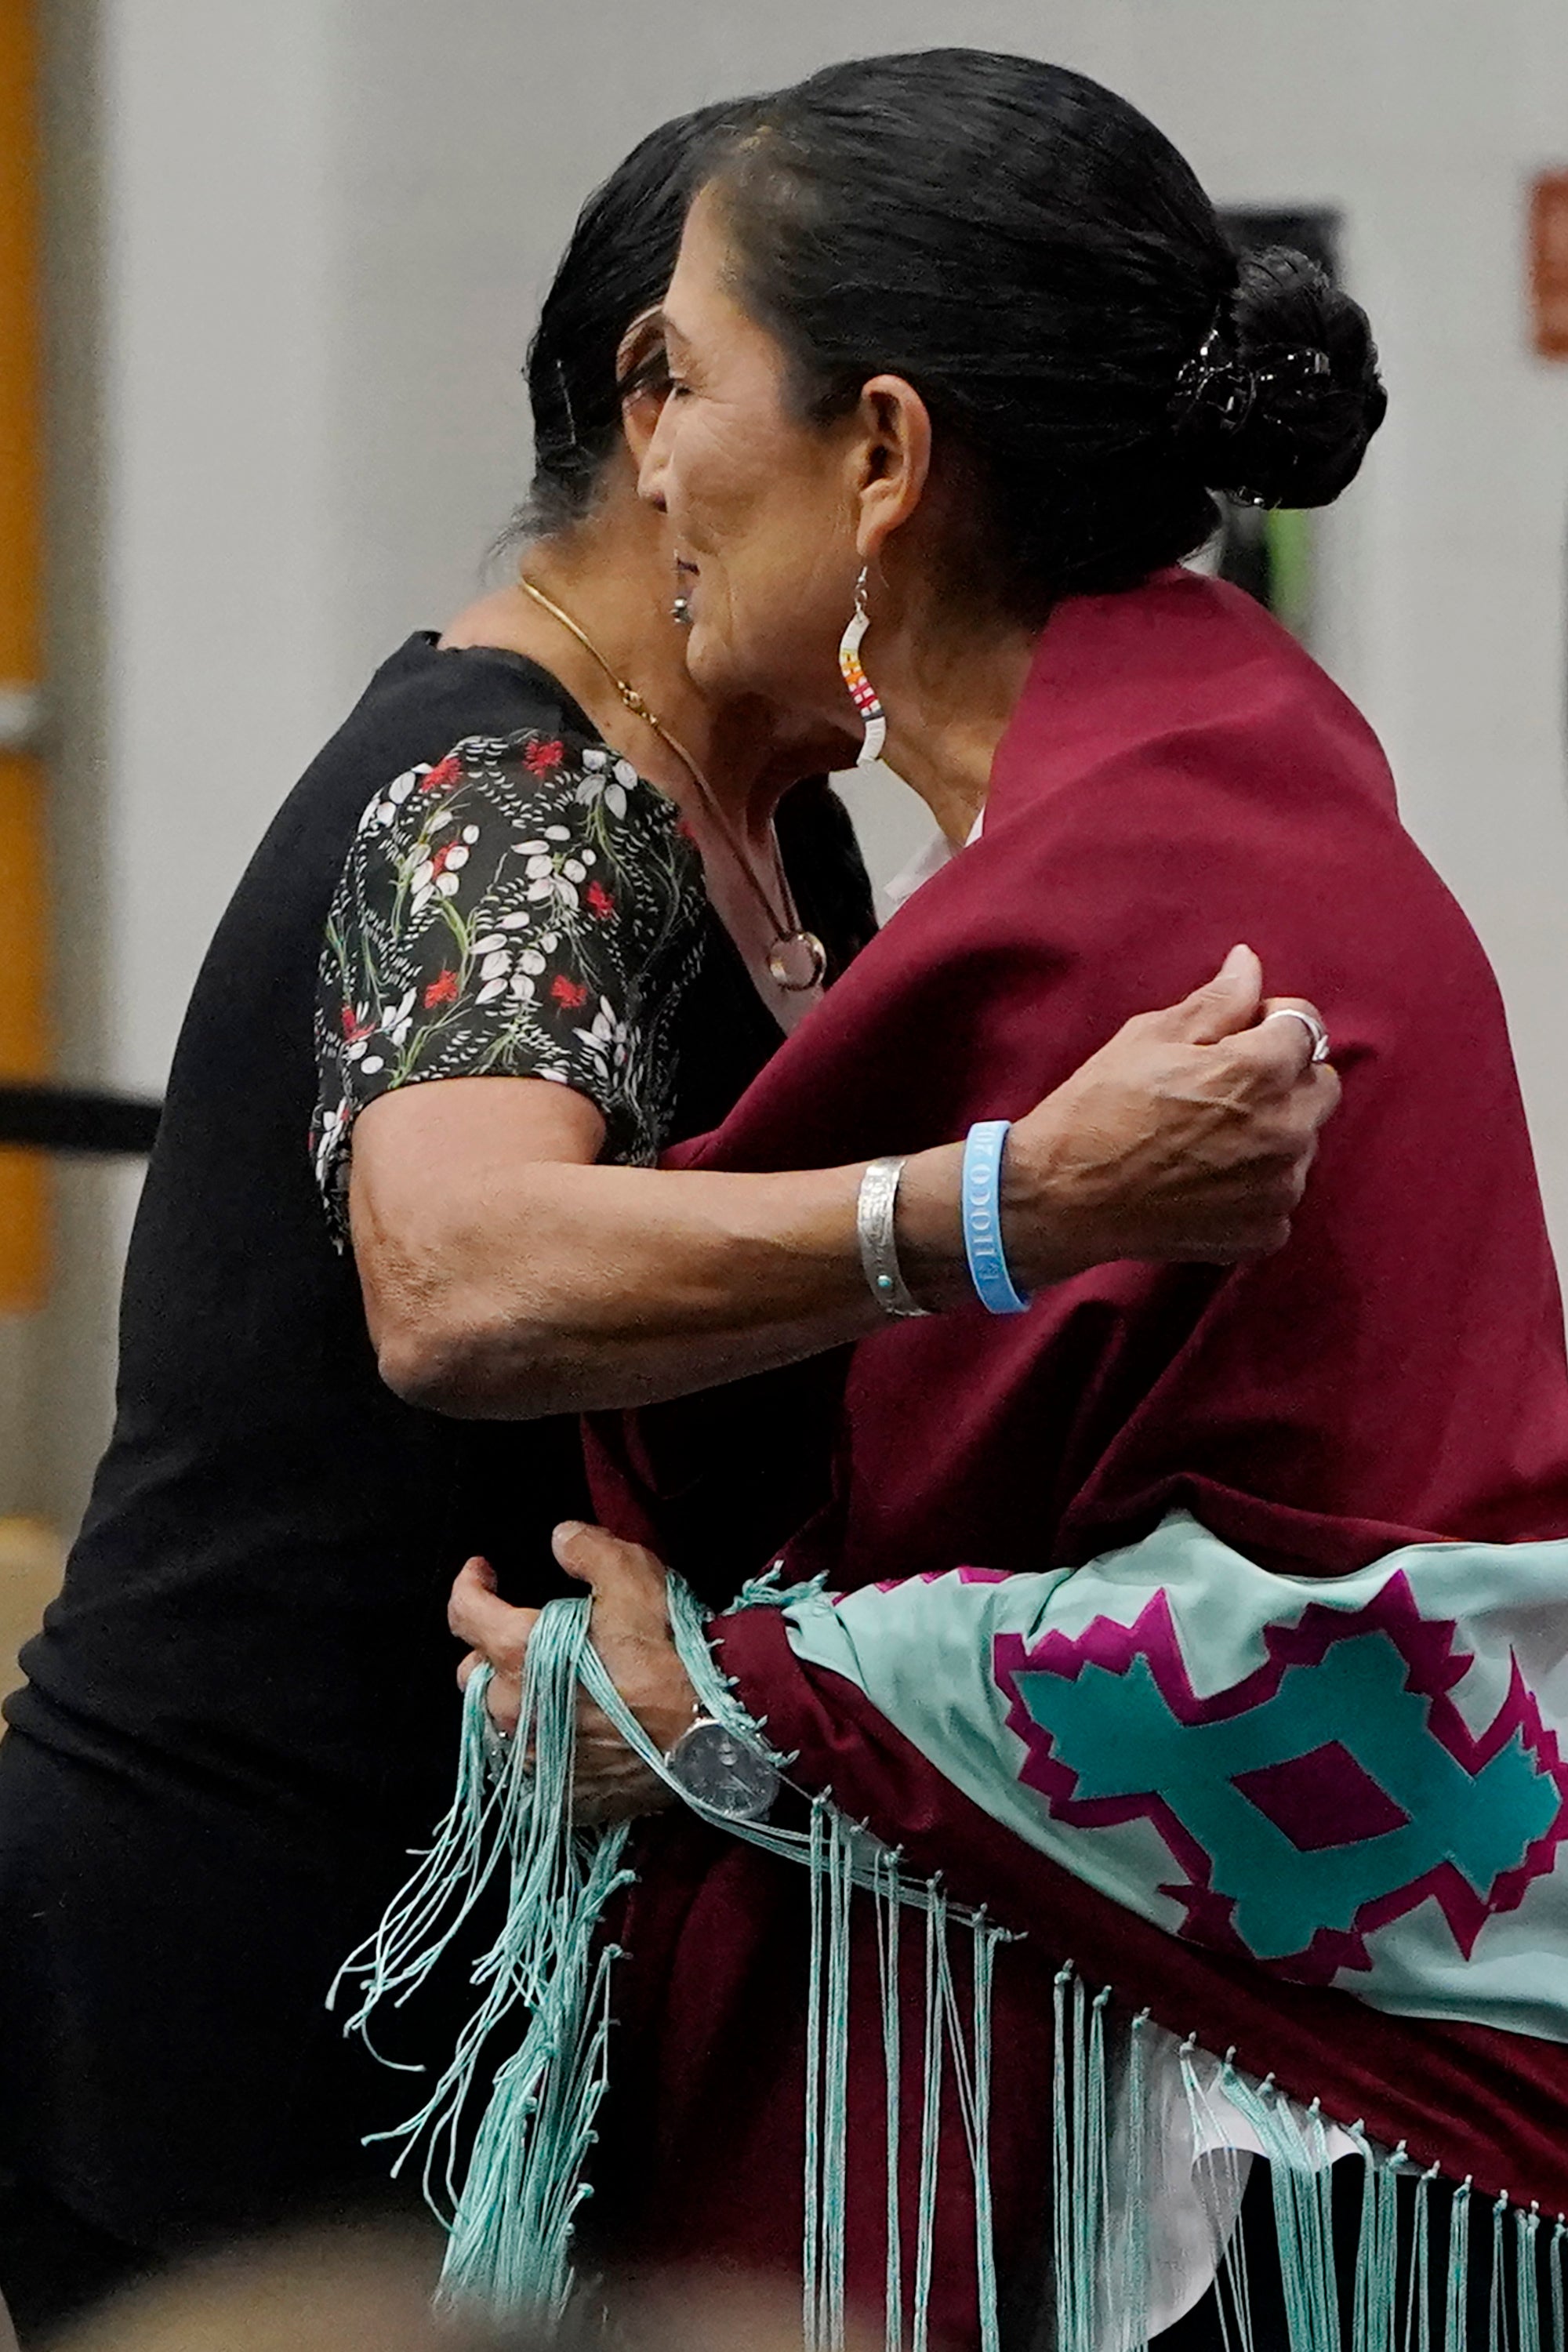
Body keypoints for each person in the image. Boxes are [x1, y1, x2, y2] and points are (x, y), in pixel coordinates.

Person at [0, 94, 1335, 2350]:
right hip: (251, 1943)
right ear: (686, 427)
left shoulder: (781, 818)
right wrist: (1031, 1199)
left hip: (503, 1935)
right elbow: (466, 1277)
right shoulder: (508, 790)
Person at [407, 48, 1568, 2350]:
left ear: (885, 457)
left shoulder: (1165, 887)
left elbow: (1395, 1624)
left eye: (686, 378)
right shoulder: (1194, 792)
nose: (649, 462)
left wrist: (734, 1702)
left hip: (1242, 2162)